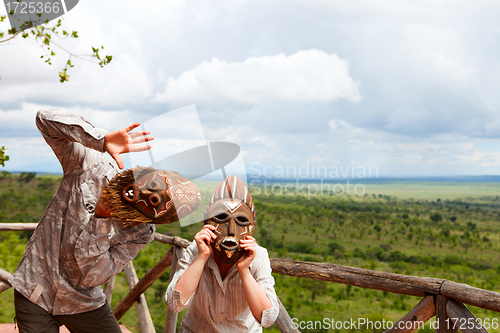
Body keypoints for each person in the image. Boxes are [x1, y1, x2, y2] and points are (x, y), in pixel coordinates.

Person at [9, 108, 199, 333]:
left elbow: (93, 275)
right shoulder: (92, 168)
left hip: (82, 300)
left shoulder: (139, 233)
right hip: (36, 287)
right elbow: (45, 119)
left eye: (154, 201)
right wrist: (100, 139)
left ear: (156, 217)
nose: (145, 195)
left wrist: (100, 219)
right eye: (152, 186)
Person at [165, 175, 279, 333]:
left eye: (241, 221)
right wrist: (201, 257)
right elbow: (174, 303)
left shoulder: (258, 255)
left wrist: (244, 271)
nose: (231, 231)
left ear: (252, 228)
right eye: (221, 218)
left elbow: (267, 318)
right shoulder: (197, 249)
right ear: (208, 223)